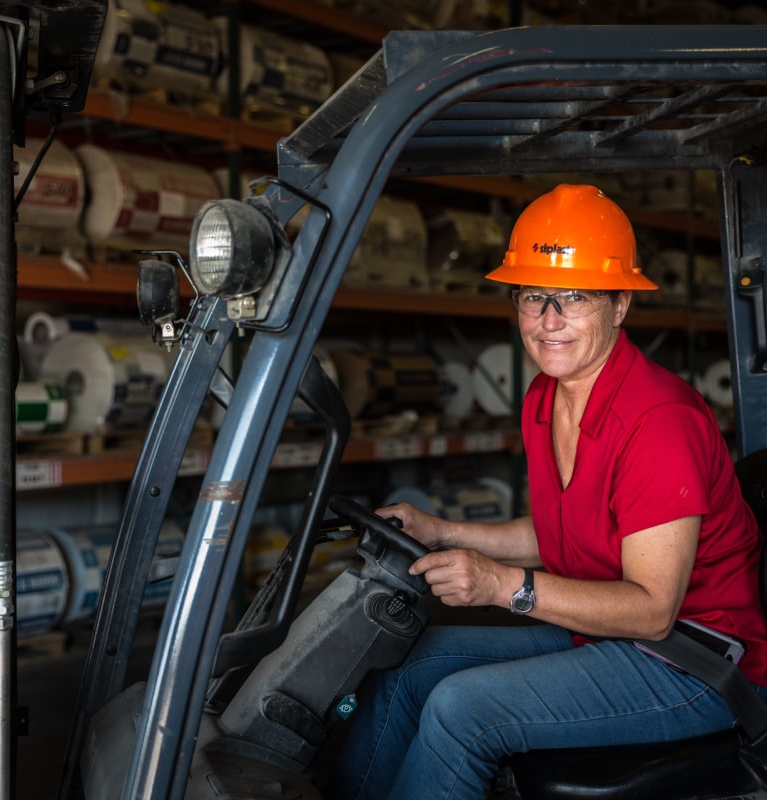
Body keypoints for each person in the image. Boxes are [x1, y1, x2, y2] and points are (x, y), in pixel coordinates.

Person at [323, 184, 767, 800]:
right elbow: (563, 530)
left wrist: (503, 584)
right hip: (606, 631)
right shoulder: (544, 398)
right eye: (533, 297)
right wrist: (443, 530)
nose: (548, 321)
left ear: (619, 305)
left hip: (692, 661)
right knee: (407, 660)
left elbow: (652, 608)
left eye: (574, 297)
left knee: (462, 708)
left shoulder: (660, 421)